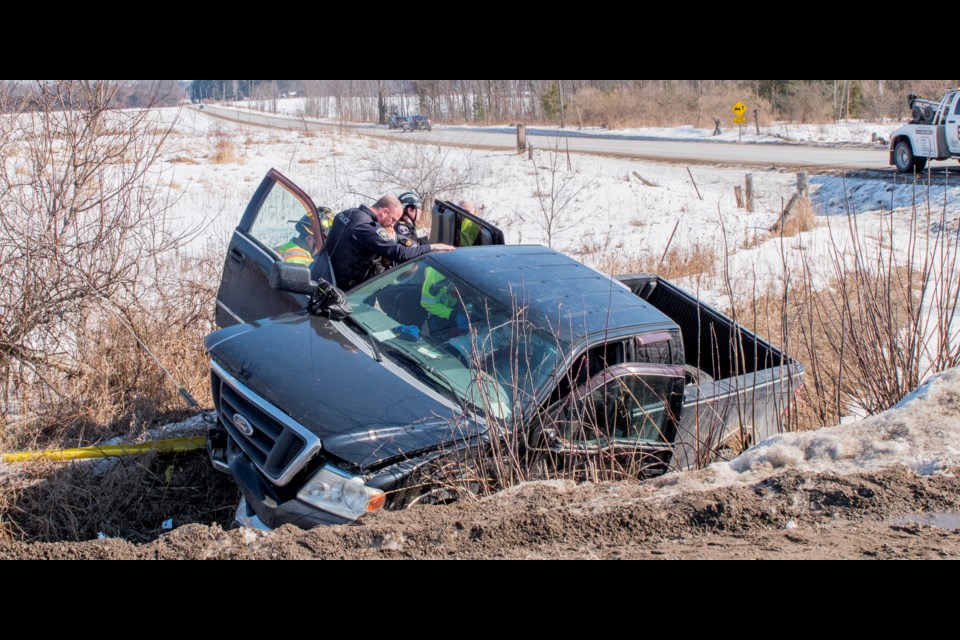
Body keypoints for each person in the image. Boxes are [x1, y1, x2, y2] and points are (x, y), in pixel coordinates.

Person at [315, 194, 454, 290]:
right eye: (393, 219)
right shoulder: (367, 227)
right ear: (384, 212)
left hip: (325, 275)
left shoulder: (347, 213)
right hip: (344, 289)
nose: (392, 225)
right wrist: (433, 246)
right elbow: (400, 253)